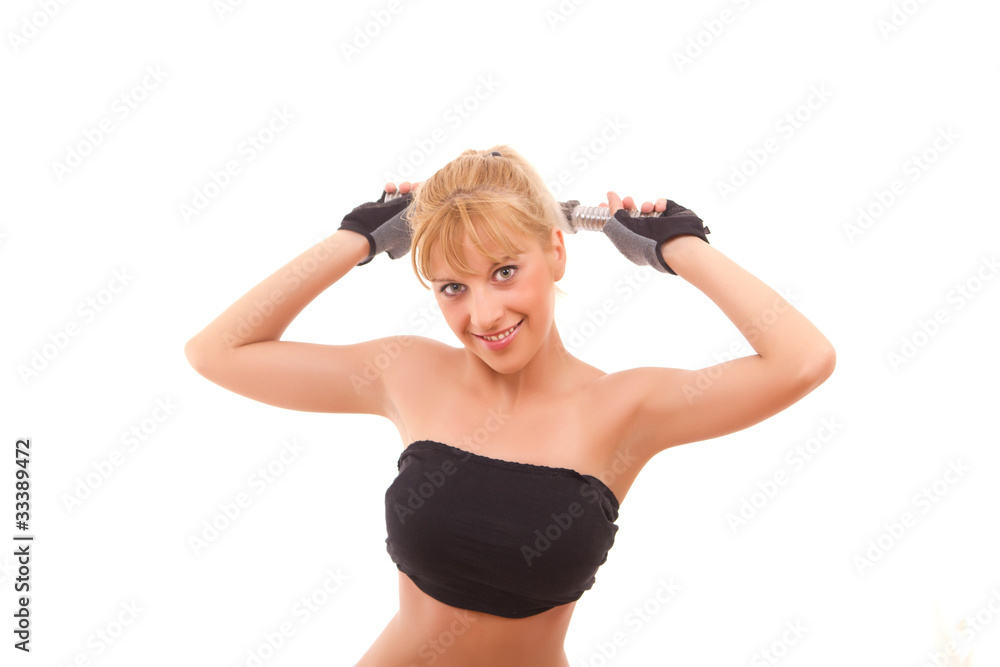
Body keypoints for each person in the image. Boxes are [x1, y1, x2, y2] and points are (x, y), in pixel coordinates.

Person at [183, 145, 836, 666]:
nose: (484, 313)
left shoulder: (626, 408)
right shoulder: (408, 373)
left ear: (555, 251)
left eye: (503, 271)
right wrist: (358, 237)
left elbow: (803, 360)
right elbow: (217, 351)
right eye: (451, 286)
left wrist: (679, 247)